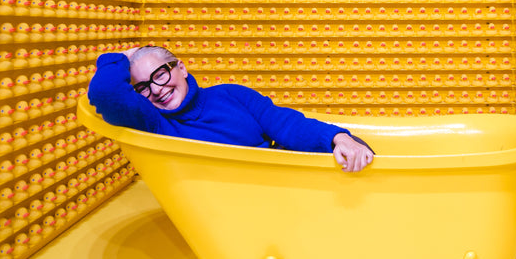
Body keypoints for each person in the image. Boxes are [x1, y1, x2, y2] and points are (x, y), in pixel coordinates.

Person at [87, 46, 375, 172]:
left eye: (160, 75)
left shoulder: (230, 95)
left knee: (353, 154)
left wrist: (338, 138)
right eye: (143, 87)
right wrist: (120, 58)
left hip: (278, 182)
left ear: (182, 68)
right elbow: (105, 93)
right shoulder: (153, 122)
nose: (157, 89)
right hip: (226, 205)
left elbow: (284, 124)